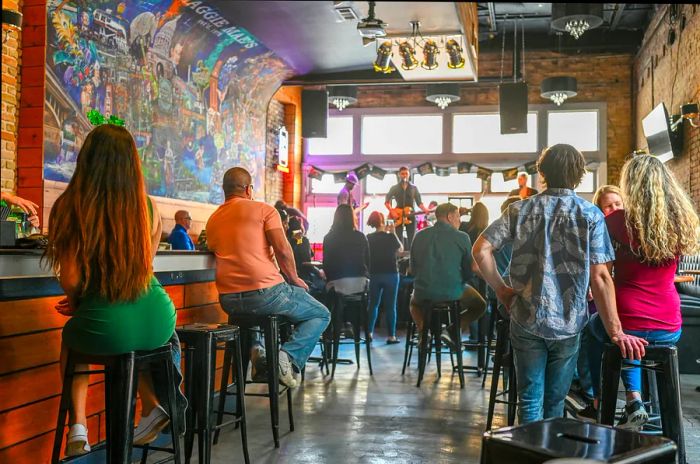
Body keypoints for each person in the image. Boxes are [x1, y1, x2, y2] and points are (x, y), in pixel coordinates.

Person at [472, 143, 648, 425]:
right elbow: (601, 277)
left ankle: (529, 455)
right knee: (555, 401)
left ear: (542, 173)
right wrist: (616, 332)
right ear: (579, 175)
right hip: (568, 322)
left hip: (525, 317)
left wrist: (501, 289)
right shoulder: (591, 215)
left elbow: (480, 250)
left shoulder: (520, 210)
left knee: (529, 399)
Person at [44, 125, 178, 455]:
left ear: (86, 159)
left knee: (74, 338)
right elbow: (146, 264)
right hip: (159, 317)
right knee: (133, 344)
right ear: (131, 163)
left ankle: (78, 426)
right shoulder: (146, 206)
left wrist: (79, 305)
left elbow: (72, 279)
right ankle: (149, 406)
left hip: (108, 323)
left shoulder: (69, 206)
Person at [586, 155, 699, 429]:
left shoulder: (615, 222)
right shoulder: (680, 221)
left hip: (627, 319)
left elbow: (602, 275)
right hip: (669, 325)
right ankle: (641, 404)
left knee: (594, 330)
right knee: (636, 338)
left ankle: (607, 400)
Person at [206, 167, 330, 388]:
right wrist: (294, 279)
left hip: (229, 301)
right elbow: (283, 250)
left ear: (224, 190)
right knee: (320, 313)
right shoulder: (264, 210)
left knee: (253, 318)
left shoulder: (213, 220)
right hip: (265, 294)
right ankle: (287, 358)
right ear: (248, 189)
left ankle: (257, 351)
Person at [409, 203, 486, 342]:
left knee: (414, 303)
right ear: (450, 217)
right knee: (480, 305)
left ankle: (423, 331)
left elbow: (412, 270)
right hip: (452, 291)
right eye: (457, 216)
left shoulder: (419, 235)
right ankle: (452, 330)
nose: (459, 220)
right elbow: (469, 271)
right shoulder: (462, 237)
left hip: (423, 291)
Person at [366, 211, 403, 344]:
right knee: (390, 306)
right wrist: (393, 232)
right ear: (383, 221)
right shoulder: (390, 237)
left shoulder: (368, 238)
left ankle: (369, 333)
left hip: (374, 274)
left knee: (373, 304)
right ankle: (391, 336)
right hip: (391, 273)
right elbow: (400, 250)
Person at [323, 204, 370, 296]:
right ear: (352, 218)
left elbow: (326, 264)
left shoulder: (328, 238)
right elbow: (368, 262)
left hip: (336, 283)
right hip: (360, 283)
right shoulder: (360, 236)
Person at [385, 166, 431, 249]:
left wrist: (425, 210)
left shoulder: (414, 188)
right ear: (399, 175)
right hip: (398, 215)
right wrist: (392, 211)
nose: (404, 175)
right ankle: (399, 257)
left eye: (406, 173)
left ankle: (411, 258)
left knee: (412, 238)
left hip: (411, 215)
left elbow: (419, 203)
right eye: (402, 174)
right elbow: (387, 202)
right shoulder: (394, 188)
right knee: (398, 237)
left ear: (409, 174)